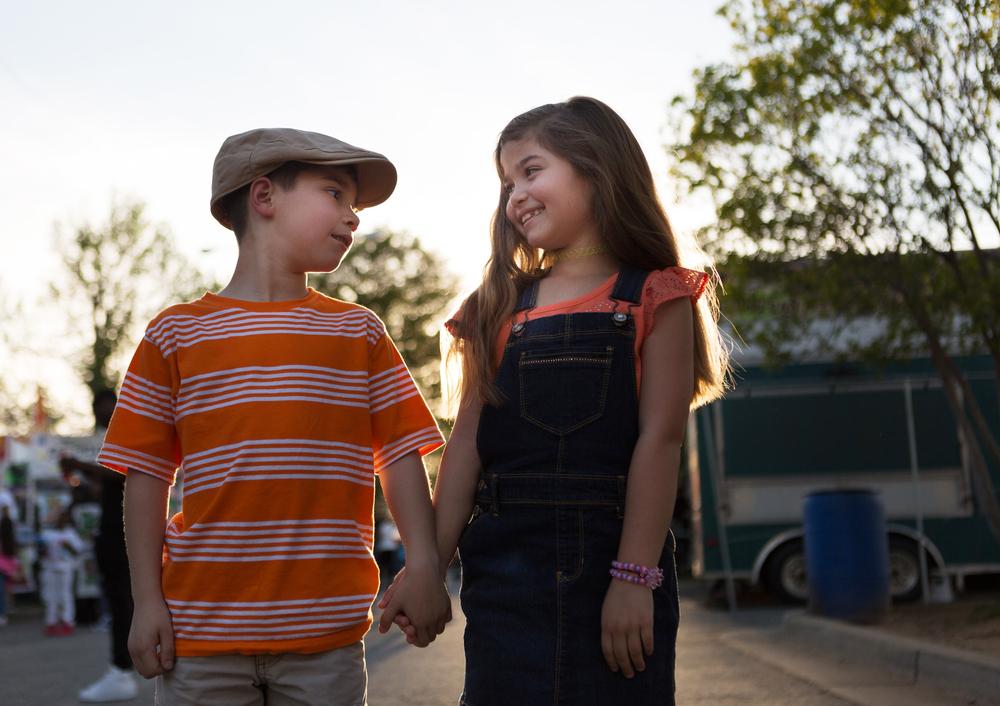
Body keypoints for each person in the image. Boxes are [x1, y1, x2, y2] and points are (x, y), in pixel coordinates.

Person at [381, 97, 729, 705]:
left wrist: (633, 578)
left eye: (532, 170)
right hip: (504, 579)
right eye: (506, 181)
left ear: (597, 168)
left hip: (614, 569)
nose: (515, 193)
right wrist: (428, 567)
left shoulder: (656, 295)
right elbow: (466, 446)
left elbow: (660, 441)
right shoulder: (495, 306)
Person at [96, 128, 451, 705]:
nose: (353, 217)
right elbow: (146, 476)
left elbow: (401, 455)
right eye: (336, 194)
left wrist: (427, 566)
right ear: (264, 198)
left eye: (354, 205)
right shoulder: (175, 334)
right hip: (200, 632)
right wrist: (147, 603)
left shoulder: (358, 332)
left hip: (326, 634)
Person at [62, 390, 140, 702]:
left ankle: (122, 670)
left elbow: (121, 473)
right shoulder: (117, 435)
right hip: (114, 531)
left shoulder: (129, 432)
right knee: (119, 600)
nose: (98, 412)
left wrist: (78, 464)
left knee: (122, 600)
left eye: (101, 405)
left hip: (122, 533)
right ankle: (121, 668)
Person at [39, 509, 85, 636]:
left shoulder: (70, 534)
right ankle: (51, 622)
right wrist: (43, 548)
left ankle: (67, 621)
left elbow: (78, 551)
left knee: (65, 595)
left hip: (65, 568)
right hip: (49, 567)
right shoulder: (47, 534)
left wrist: (67, 545)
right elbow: (41, 551)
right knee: (50, 596)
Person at [0, 503, 20, 627]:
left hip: (2, 563)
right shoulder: (11, 534)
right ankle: (6, 611)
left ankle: (3, 613)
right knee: (7, 589)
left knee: (2, 589)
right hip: (8, 564)